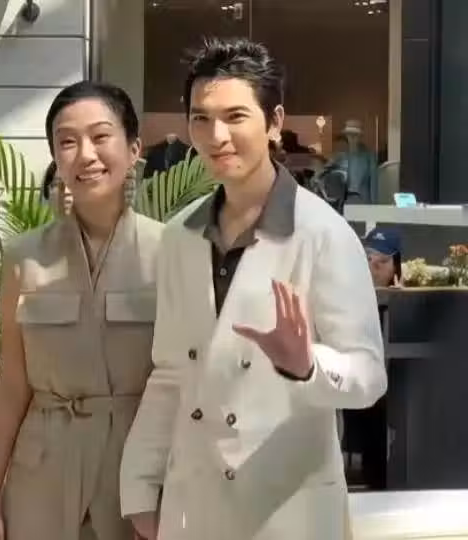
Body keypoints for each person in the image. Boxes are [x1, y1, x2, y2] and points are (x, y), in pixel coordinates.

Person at [120, 38, 387, 540]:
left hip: (289, 505)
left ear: (274, 121)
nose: (216, 136)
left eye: (235, 116)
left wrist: (306, 364)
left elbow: (369, 376)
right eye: (201, 119)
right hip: (195, 502)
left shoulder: (323, 234)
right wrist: (139, 486)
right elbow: (171, 371)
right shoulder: (179, 236)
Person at [0, 81, 164, 540]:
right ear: (55, 159)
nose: (85, 154)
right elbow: (12, 387)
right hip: (41, 476)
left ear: (133, 149)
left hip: (134, 478)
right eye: (67, 142)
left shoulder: (171, 252)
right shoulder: (24, 257)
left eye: (100, 137)